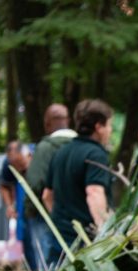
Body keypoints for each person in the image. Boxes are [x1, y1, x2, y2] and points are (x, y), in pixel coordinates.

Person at [48, 99, 114, 260]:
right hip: (85, 245)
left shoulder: (61, 152)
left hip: (59, 240)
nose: (110, 131)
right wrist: (105, 233)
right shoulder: (96, 155)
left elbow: (47, 195)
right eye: (109, 126)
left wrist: (60, 224)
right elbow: (94, 192)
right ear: (98, 127)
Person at [26, 103, 76, 271]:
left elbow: (34, 183)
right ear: (68, 120)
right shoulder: (81, 145)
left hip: (45, 217)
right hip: (76, 219)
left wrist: (31, 210)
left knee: (49, 269)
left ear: (47, 123)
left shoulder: (45, 148)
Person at [0, 140, 38, 271]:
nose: (18, 169)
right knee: (27, 239)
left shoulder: (40, 155)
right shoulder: (8, 164)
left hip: (42, 202)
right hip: (24, 205)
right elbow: (4, 186)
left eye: (21, 164)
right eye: (14, 166)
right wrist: (9, 205)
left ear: (28, 155)